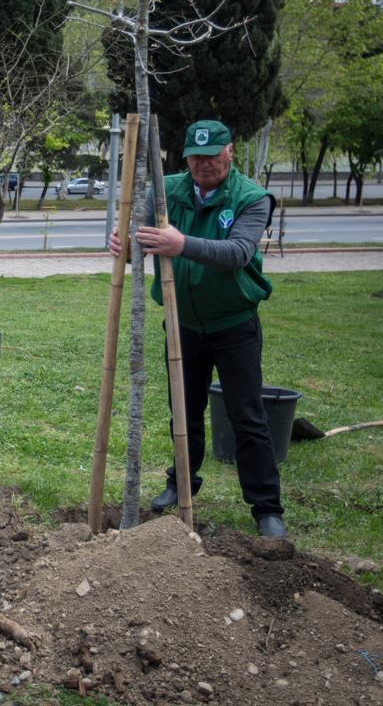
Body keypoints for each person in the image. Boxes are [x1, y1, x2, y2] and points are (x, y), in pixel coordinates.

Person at [110, 119, 284, 538]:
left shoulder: (252, 198)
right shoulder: (165, 190)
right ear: (185, 157)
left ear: (230, 152)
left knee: (246, 416)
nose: (203, 164)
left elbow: (238, 252)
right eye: (195, 157)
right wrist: (124, 244)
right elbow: (138, 240)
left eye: (211, 156)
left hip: (234, 325)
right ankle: (181, 482)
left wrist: (181, 244)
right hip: (182, 323)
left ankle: (266, 508)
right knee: (183, 412)